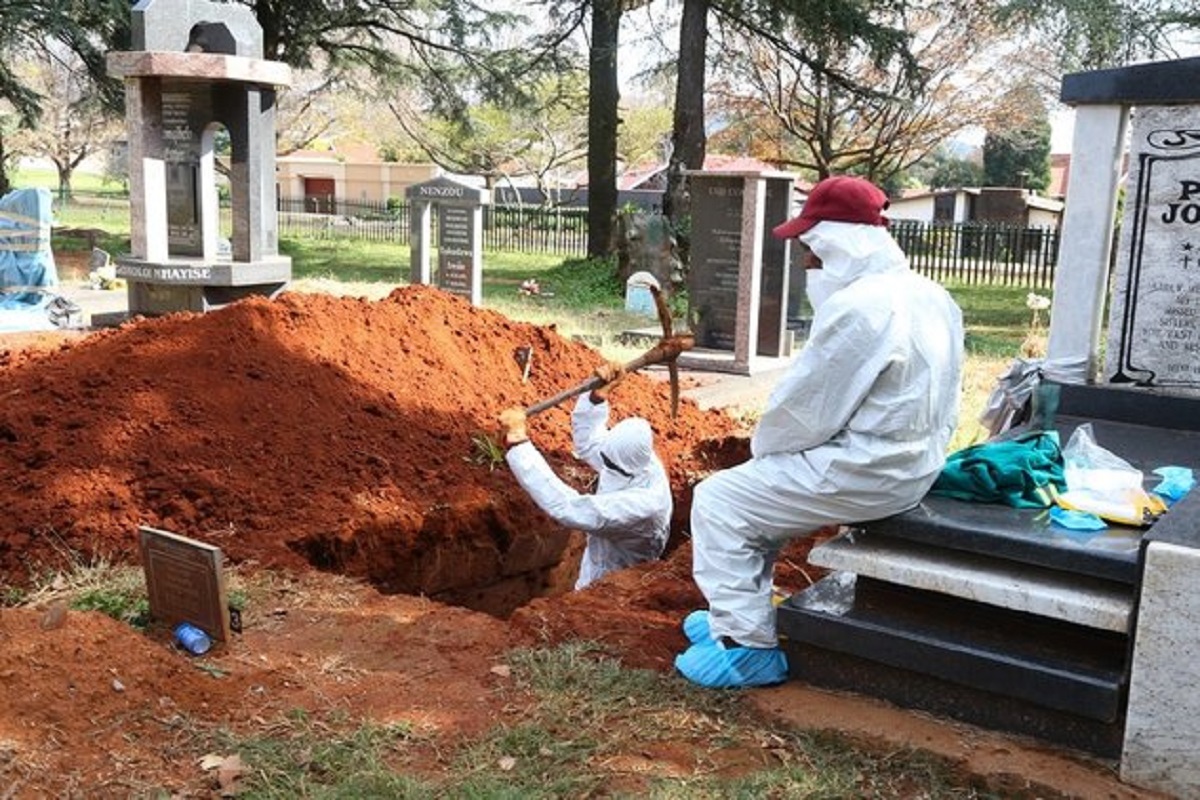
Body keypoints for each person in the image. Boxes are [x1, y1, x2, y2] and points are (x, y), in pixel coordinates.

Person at [676, 175, 965, 689]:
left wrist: (763, 453)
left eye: (812, 249)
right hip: (914, 465)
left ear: (839, 241)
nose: (808, 263)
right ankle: (739, 615)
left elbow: (805, 412)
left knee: (720, 500)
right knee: (754, 500)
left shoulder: (863, 308)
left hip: (864, 474)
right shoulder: (932, 295)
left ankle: (747, 646)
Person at [498, 361, 672, 589]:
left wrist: (519, 443)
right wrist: (596, 399)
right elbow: (590, 445)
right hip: (597, 563)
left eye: (609, 462)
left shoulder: (643, 507)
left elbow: (568, 507)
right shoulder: (639, 460)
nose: (604, 464)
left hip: (615, 587)